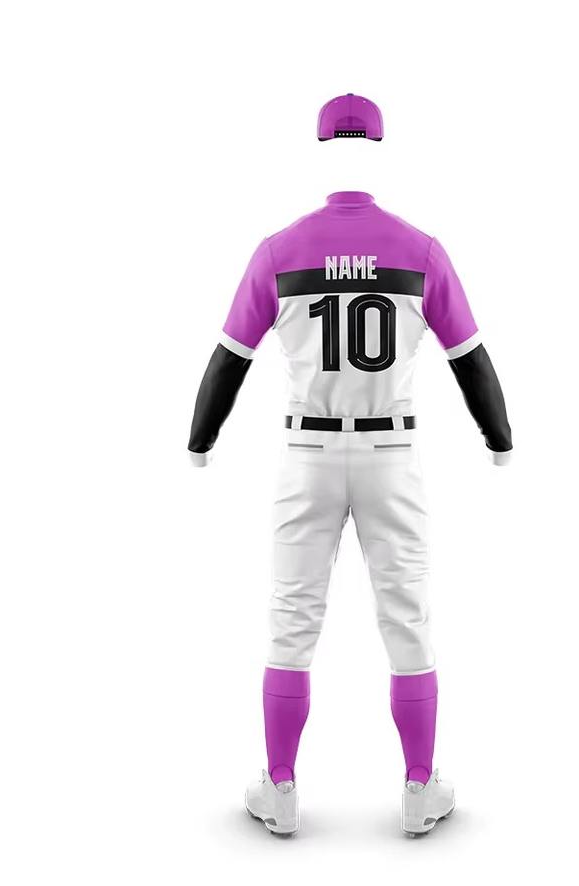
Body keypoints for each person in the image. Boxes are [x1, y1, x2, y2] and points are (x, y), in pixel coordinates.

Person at [188, 94, 512, 835]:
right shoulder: (420, 249)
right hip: (390, 452)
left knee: (292, 616)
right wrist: (499, 439)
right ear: (380, 152)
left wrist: (200, 441)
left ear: (319, 152)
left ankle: (280, 787)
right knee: (407, 616)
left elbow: (229, 358)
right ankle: (420, 787)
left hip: (307, 451)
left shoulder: (279, 249)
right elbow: (470, 358)